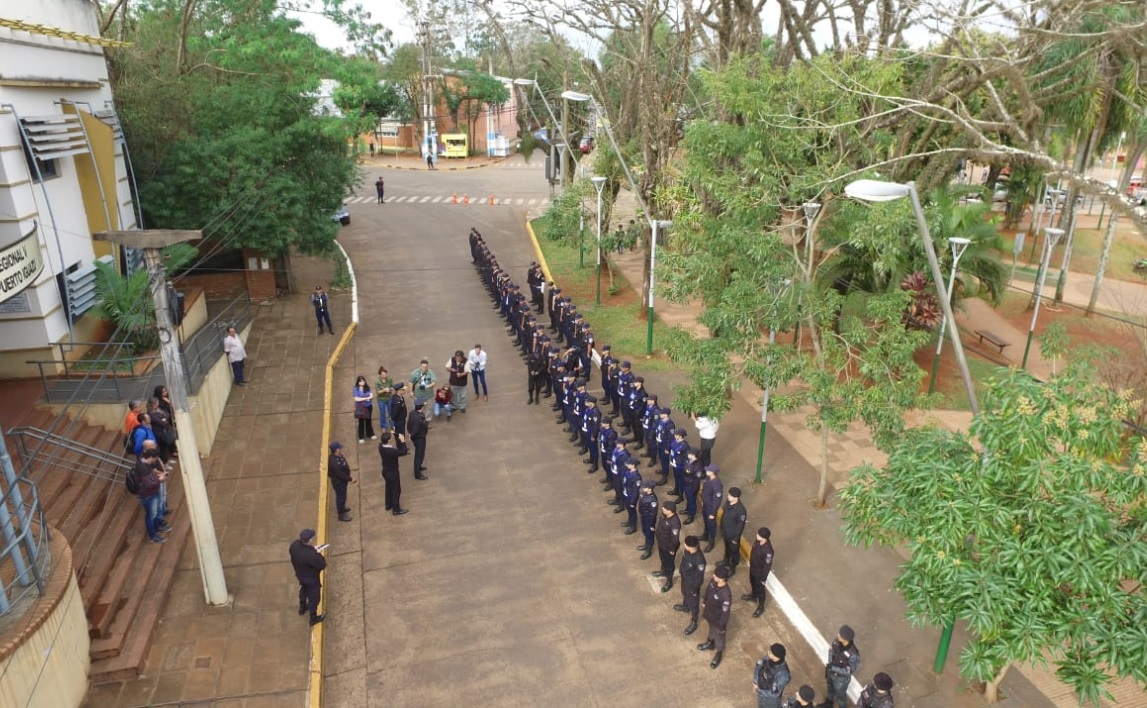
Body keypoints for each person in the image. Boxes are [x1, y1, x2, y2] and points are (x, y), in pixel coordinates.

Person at [697, 564, 733, 669]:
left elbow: (725, 612)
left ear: (722, 579)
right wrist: (704, 601)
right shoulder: (713, 582)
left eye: (716, 575)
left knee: (719, 636)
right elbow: (708, 591)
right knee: (711, 630)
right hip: (709, 614)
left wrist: (721, 625)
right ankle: (710, 643)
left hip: (718, 619)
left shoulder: (726, 594)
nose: (713, 576)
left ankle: (719, 652)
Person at [289, 528, 327, 626]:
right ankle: (313, 618)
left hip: (300, 575)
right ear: (309, 540)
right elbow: (322, 564)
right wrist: (317, 553)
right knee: (314, 597)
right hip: (311, 579)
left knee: (303, 590)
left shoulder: (294, 546)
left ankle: (302, 607)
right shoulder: (311, 555)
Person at [132, 447, 169, 543]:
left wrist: (158, 474)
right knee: (151, 515)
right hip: (148, 495)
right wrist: (159, 479)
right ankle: (153, 536)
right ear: (151, 457)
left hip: (151, 494)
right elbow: (149, 484)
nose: (155, 461)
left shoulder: (143, 463)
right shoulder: (143, 468)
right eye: (155, 459)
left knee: (154, 513)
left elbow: (150, 476)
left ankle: (157, 527)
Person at [675, 535, 707, 635]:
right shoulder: (686, 551)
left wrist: (694, 589)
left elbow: (699, 577)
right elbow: (684, 561)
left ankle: (694, 621)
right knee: (684, 593)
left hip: (692, 584)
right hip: (685, 579)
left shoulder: (699, 560)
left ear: (691, 547)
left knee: (693, 603)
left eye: (686, 544)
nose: (684, 545)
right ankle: (685, 606)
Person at [823, 625, 860, 708]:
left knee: (841, 695)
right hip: (831, 673)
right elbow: (831, 651)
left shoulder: (853, 654)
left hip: (841, 679)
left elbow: (849, 671)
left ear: (846, 639)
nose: (838, 636)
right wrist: (830, 663)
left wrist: (833, 667)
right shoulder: (836, 642)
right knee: (830, 688)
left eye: (840, 635)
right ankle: (829, 701)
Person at [743, 527, 775, 617]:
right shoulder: (757, 541)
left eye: (759, 535)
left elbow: (767, 566)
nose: (757, 535)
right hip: (753, 568)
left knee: (760, 590)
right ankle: (753, 595)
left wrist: (763, 578)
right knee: (752, 582)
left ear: (764, 538)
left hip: (759, 573)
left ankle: (761, 606)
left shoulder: (768, 551)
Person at [653, 501, 681, 592]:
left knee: (669, 564)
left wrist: (672, 549)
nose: (662, 509)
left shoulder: (675, 523)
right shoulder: (664, 516)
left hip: (669, 547)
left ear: (670, 511)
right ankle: (663, 571)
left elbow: (675, 538)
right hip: (661, 543)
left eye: (665, 508)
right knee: (662, 558)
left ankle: (669, 581)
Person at [753, 643, 792, 708]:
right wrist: (755, 682)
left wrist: (758, 690)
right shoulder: (767, 658)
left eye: (771, 652)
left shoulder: (782, 674)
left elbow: (774, 694)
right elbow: (758, 666)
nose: (768, 652)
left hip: (771, 701)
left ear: (776, 657)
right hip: (761, 693)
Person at [378, 432, 407, 516]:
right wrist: (403, 441)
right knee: (396, 490)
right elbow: (403, 452)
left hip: (385, 471)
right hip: (392, 472)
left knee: (388, 488)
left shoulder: (381, 446)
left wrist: (394, 433)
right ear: (389, 440)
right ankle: (396, 509)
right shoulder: (391, 451)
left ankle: (388, 504)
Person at [721, 486, 748, 576]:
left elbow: (740, 526)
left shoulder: (741, 510)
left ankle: (733, 567)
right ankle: (726, 560)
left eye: (731, 496)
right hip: (726, 532)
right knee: (727, 548)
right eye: (729, 494)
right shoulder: (728, 503)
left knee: (734, 551)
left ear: (736, 498)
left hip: (733, 536)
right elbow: (724, 514)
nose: (728, 496)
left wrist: (735, 539)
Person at [327, 441, 355, 522]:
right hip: (339, 482)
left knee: (343, 496)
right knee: (341, 497)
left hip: (342, 481)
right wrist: (350, 479)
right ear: (336, 450)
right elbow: (340, 475)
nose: (341, 449)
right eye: (339, 448)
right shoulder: (334, 463)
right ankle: (341, 514)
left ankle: (342, 508)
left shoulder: (338, 456)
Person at [701, 465, 724, 553]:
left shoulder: (717, 484)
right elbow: (705, 491)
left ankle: (711, 542)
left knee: (711, 525)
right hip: (706, 505)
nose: (706, 471)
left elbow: (716, 500)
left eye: (708, 470)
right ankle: (705, 535)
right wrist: (703, 500)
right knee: (706, 521)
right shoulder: (708, 479)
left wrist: (713, 513)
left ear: (713, 473)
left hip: (711, 508)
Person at [152, 385, 178, 457]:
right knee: (169, 435)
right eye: (163, 392)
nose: (165, 393)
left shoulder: (167, 398)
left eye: (165, 391)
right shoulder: (160, 402)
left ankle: (175, 448)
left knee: (174, 433)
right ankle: (172, 450)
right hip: (167, 420)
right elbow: (164, 412)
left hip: (172, 417)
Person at [636, 480, 659, 560]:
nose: (643, 488)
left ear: (650, 489)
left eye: (645, 487)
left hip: (648, 519)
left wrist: (652, 525)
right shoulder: (644, 494)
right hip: (643, 516)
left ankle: (648, 550)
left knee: (649, 534)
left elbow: (653, 514)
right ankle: (646, 545)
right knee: (645, 531)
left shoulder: (653, 500)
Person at [408, 401, 429, 479]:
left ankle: (419, 466)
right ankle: (417, 474)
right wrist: (412, 435)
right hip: (419, 437)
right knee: (419, 455)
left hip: (419, 437)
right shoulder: (419, 418)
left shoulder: (412, 413)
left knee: (420, 453)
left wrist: (410, 433)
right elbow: (415, 429)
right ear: (422, 407)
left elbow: (409, 424)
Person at [353, 375, 376, 443]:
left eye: (363, 381)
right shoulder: (356, 389)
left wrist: (365, 398)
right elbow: (356, 399)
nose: (362, 382)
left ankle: (370, 434)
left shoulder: (367, 387)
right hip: (360, 407)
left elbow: (371, 395)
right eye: (361, 381)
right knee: (361, 421)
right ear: (358, 382)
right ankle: (361, 436)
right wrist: (365, 398)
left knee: (368, 420)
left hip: (368, 406)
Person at [375, 366, 395, 431]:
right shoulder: (377, 381)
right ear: (380, 375)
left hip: (389, 398)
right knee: (382, 413)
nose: (384, 375)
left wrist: (390, 389)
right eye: (383, 374)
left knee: (391, 412)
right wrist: (384, 390)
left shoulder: (389, 379)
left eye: (385, 374)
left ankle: (392, 424)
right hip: (381, 400)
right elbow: (378, 392)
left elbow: (392, 387)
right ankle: (383, 426)